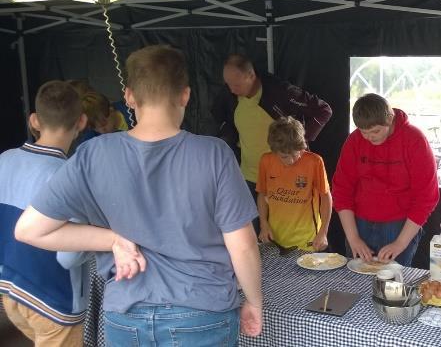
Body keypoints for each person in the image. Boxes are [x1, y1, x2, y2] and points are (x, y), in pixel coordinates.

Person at [14, 45, 264, 345]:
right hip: (201, 312)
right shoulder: (214, 154)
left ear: (129, 96)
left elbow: (29, 230)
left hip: (125, 314)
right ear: (185, 95)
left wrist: (112, 240)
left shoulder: (93, 153)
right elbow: (244, 245)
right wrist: (254, 302)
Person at [0, 80, 90, 346]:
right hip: (54, 300)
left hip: (10, 291)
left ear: (35, 120)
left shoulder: (4, 159)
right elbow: (69, 257)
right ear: (82, 122)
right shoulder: (71, 176)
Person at [212, 54, 333, 232]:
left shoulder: (280, 92)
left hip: (284, 177)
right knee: (252, 234)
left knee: (285, 232)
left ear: (251, 76)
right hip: (249, 176)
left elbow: (323, 110)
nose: (231, 89)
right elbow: (222, 123)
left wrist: (299, 141)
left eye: (236, 84)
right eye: (228, 84)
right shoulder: (229, 97)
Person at [332, 93, 439, 266]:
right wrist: (353, 238)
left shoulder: (414, 140)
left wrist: (400, 243)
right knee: (355, 279)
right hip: (359, 223)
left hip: (399, 225)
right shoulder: (354, 140)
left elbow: (426, 197)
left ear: (390, 119)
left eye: (375, 131)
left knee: (392, 285)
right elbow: (341, 190)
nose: (369, 137)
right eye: (364, 132)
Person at [256, 116, 332, 251]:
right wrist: (263, 224)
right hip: (276, 240)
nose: (291, 160)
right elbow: (262, 194)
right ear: (274, 151)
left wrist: (323, 232)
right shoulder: (266, 161)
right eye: (284, 156)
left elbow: (326, 197)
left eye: (296, 154)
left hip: (308, 241)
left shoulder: (314, 162)